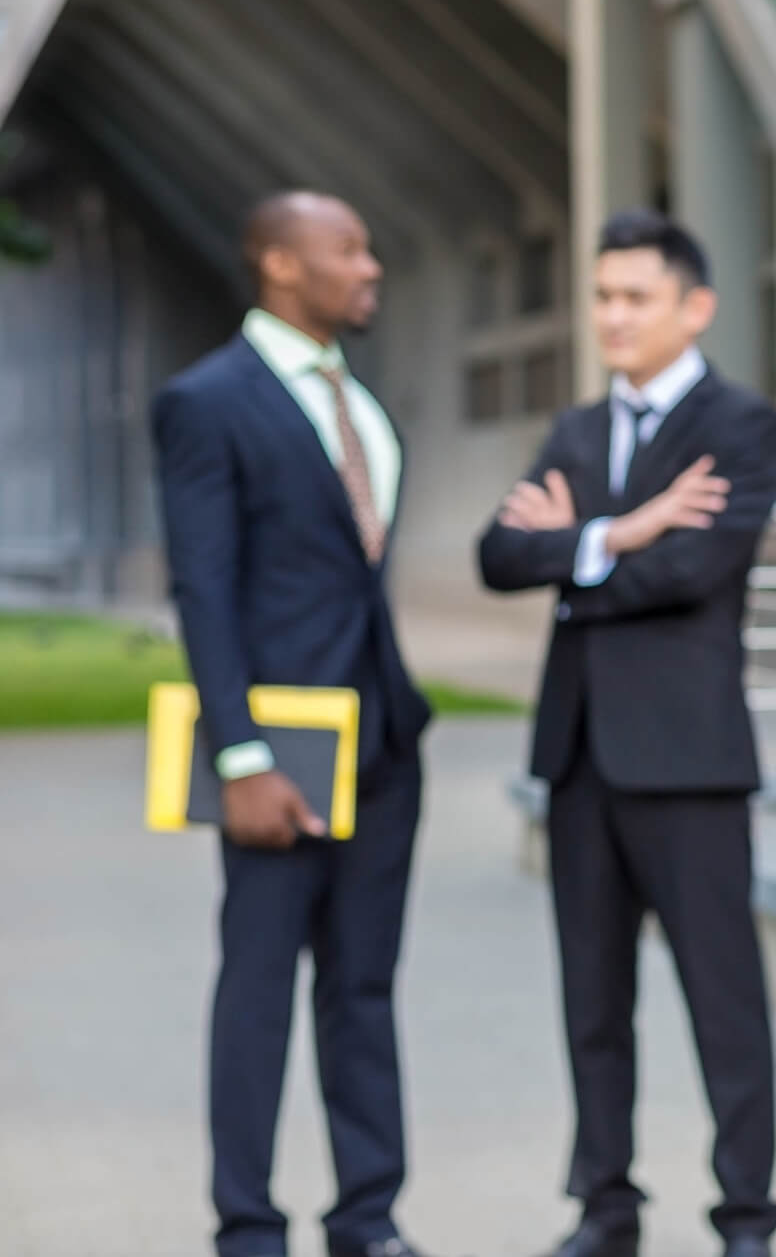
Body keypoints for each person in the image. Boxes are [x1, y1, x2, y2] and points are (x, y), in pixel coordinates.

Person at [477, 210, 776, 1257]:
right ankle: (604, 1208)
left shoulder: (737, 425)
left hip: (688, 759)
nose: (610, 315)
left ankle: (745, 1219)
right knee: (591, 1003)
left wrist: (570, 558)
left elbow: (697, 570)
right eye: (601, 296)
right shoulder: (573, 430)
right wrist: (621, 534)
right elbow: (494, 557)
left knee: (723, 1005)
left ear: (692, 307)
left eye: (633, 297)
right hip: (578, 760)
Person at [151, 192, 439, 1257]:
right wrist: (241, 755)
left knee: (363, 989)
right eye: (346, 249)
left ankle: (367, 1217)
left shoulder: (358, 402)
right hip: (280, 756)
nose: (370, 267)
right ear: (278, 263)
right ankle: (248, 1226)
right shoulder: (206, 400)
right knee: (262, 991)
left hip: (385, 746)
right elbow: (204, 590)